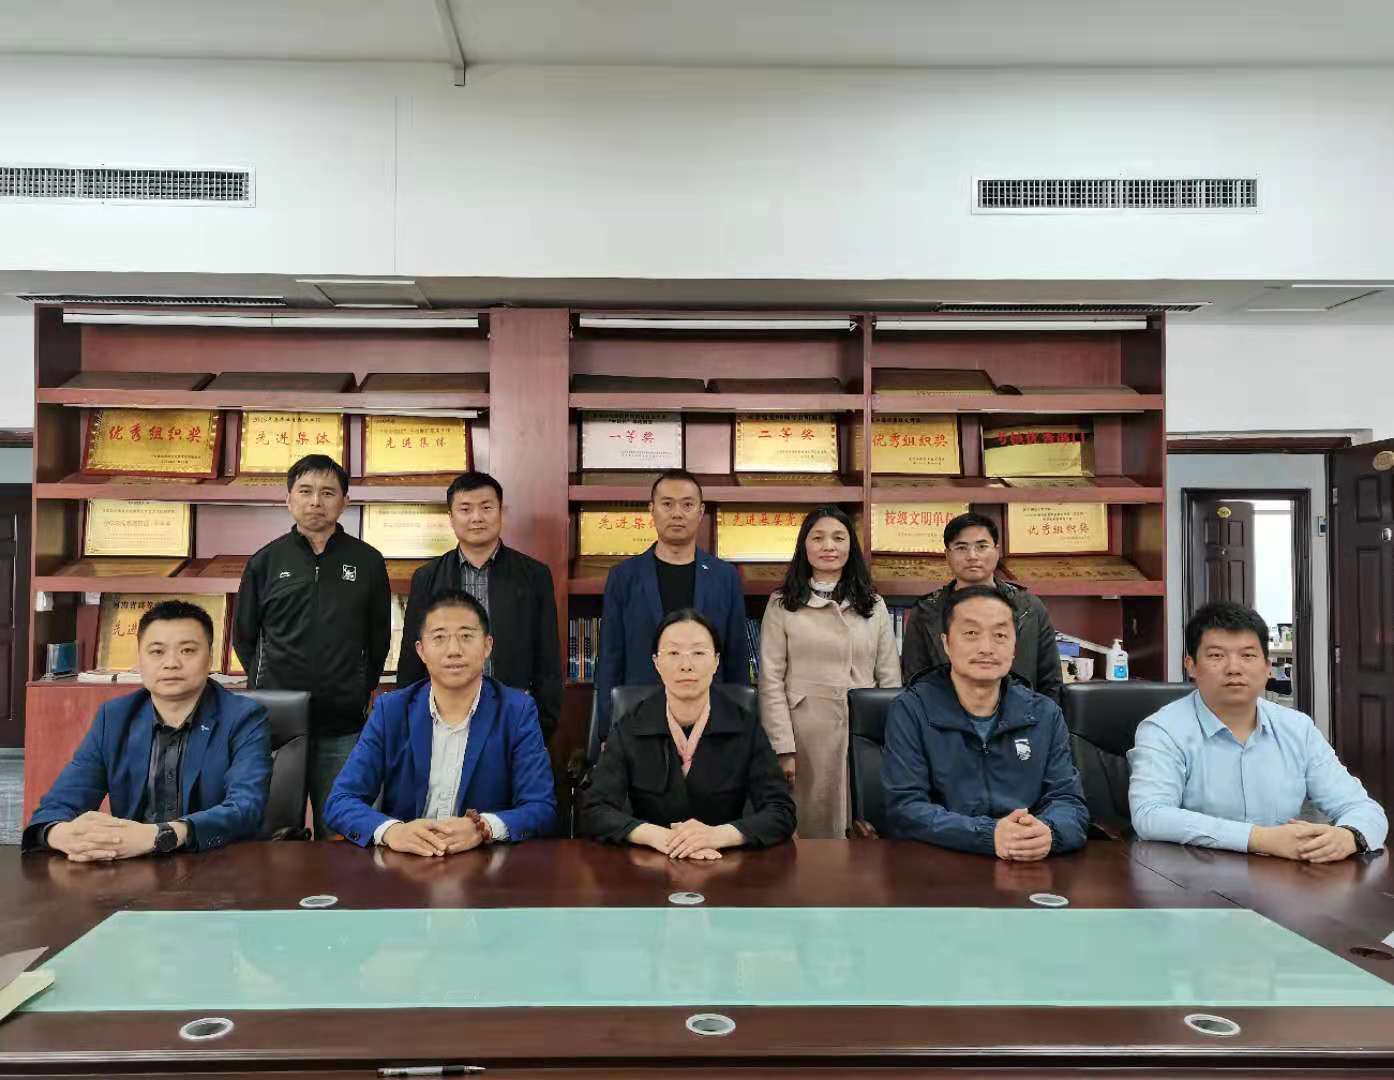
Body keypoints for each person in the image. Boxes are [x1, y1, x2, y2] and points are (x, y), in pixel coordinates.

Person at [1129, 601, 1386, 860]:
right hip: (1191, 875)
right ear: (1192, 665)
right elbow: (1150, 815)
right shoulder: (1163, 730)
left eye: (1248, 656)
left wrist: (1349, 836)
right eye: (1216, 656)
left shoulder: (1297, 729)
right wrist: (1260, 839)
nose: (1234, 668)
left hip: (1282, 877)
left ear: (1266, 667)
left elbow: (1363, 808)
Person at [23, 600, 271, 859]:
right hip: (131, 866)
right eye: (157, 651)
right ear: (139, 659)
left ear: (209, 657)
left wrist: (162, 835)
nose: (171, 663)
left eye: (187, 650)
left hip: (218, 865)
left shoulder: (243, 718)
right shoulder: (115, 718)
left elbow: (246, 807)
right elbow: (59, 804)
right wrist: (62, 834)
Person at [233, 453, 391, 839]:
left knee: (341, 833)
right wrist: (268, 684)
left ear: (345, 501)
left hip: (342, 723)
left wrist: (359, 687)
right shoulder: (266, 561)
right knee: (273, 835)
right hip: (275, 723)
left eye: (327, 492)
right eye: (305, 491)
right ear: (288, 499)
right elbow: (244, 636)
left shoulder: (367, 562)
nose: (315, 501)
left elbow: (379, 637)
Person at [325, 590, 557, 853]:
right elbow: (340, 801)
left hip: (483, 863)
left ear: (487, 646)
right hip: (406, 862)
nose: (454, 650)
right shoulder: (391, 711)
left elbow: (541, 808)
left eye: (466, 636)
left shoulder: (516, 711)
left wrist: (484, 827)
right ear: (421, 651)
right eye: (439, 638)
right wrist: (392, 831)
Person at [882, 585, 1088, 858]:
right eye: (971, 633)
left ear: (1014, 648)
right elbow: (905, 808)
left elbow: (1069, 802)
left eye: (1000, 635)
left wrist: (1049, 831)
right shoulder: (912, 710)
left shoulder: (1044, 714)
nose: (986, 648)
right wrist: (988, 835)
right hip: (938, 863)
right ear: (946, 643)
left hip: (1026, 864)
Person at [580, 608, 795, 857]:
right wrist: (654, 835)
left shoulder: (745, 726)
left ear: (716, 661)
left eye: (698, 653)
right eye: (673, 653)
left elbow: (781, 811)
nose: (686, 666)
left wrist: (719, 836)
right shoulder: (630, 726)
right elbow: (594, 810)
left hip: (725, 861)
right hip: (651, 861)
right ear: (656, 663)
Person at [757, 506, 900, 838]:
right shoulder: (782, 604)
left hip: (862, 737)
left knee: (863, 832)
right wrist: (782, 746)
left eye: (838, 538)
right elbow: (771, 680)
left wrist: (890, 741)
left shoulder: (873, 604)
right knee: (810, 834)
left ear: (851, 546)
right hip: (805, 736)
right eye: (818, 538)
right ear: (804, 546)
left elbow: (889, 679)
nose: (828, 546)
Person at [395, 471, 562, 744]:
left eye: (486, 508)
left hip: (513, 717)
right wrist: (408, 719)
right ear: (451, 518)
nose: (476, 517)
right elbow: (412, 658)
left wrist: (543, 723)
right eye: (465, 509)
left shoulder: (534, 575)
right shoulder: (427, 577)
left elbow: (548, 656)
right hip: (442, 718)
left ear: (501, 513)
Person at [593, 469, 750, 739]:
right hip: (639, 721)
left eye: (687, 505)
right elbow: (610, 657)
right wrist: (608, 732)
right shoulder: (624, 577)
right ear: (652, 510)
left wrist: (740, 727)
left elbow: (736, 658)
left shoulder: (725, 577)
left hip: (711, 722)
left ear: (701, 512)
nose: (677, 513)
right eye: (667, 504)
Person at [899, 512, 1062, 702]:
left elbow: (1050, 683)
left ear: (996, 551)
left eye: (982, 546)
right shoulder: (926, 612)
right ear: (947, 555)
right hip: (944, 717)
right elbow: (916, 685)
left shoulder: (1029, 608)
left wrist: (1040, 718)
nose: (972, 556)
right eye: (961, 547)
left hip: (1024, 716)